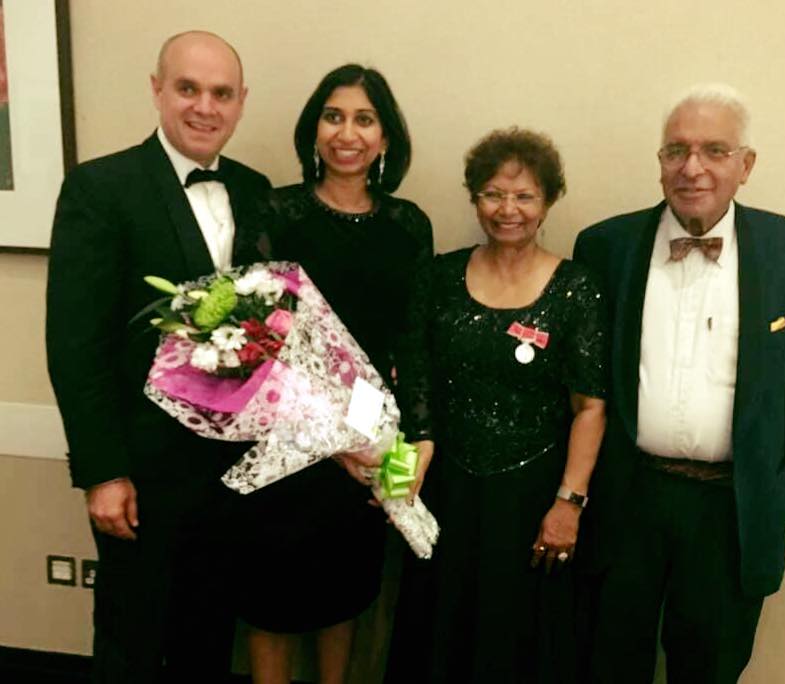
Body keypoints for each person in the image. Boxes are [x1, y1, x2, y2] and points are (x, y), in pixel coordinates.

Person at [573, 83, 785, 683]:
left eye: (715, 150)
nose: (693, 168)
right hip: (627, 498)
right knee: (607, 660)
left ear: (746, 165)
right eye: (676, 151)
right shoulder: (604, 247)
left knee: (710, 666)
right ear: (660, 162)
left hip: (732, 507)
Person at [46, 31, 272, 683]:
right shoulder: (101, 188)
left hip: (229, 471)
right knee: (132, 640)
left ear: (241, 102)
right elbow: (74, 345)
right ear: (157, 89)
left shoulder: (257, 191)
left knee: (208, 636)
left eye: (222, 93)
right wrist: (103, 471)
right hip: (140, 473)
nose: (205, 107)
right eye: (188, 88)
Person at [385, 127, 608, 683]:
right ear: (474, 198)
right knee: (437, 636)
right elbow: (412, 387)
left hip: (533, 501)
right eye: (493, 194)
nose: (508, 209)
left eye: (524, 195)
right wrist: (394, 481)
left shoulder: (577, 287)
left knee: (522, 646)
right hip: (444, 493)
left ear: (548, 201)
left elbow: (589, 406)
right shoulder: (436, 276)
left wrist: (569, 503)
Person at [234, 64, 433, 684]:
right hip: (285, 442)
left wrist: (420, 439)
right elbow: (254, 338)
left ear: (385, 138)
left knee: (343, 595)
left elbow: (414, 340)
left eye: (364, 119)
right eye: (334, 115)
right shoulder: (277, 211)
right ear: (314, 129)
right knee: (273, 601)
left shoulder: (408, 225)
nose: (348, 132)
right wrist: (322, 435)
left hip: (368, 438)